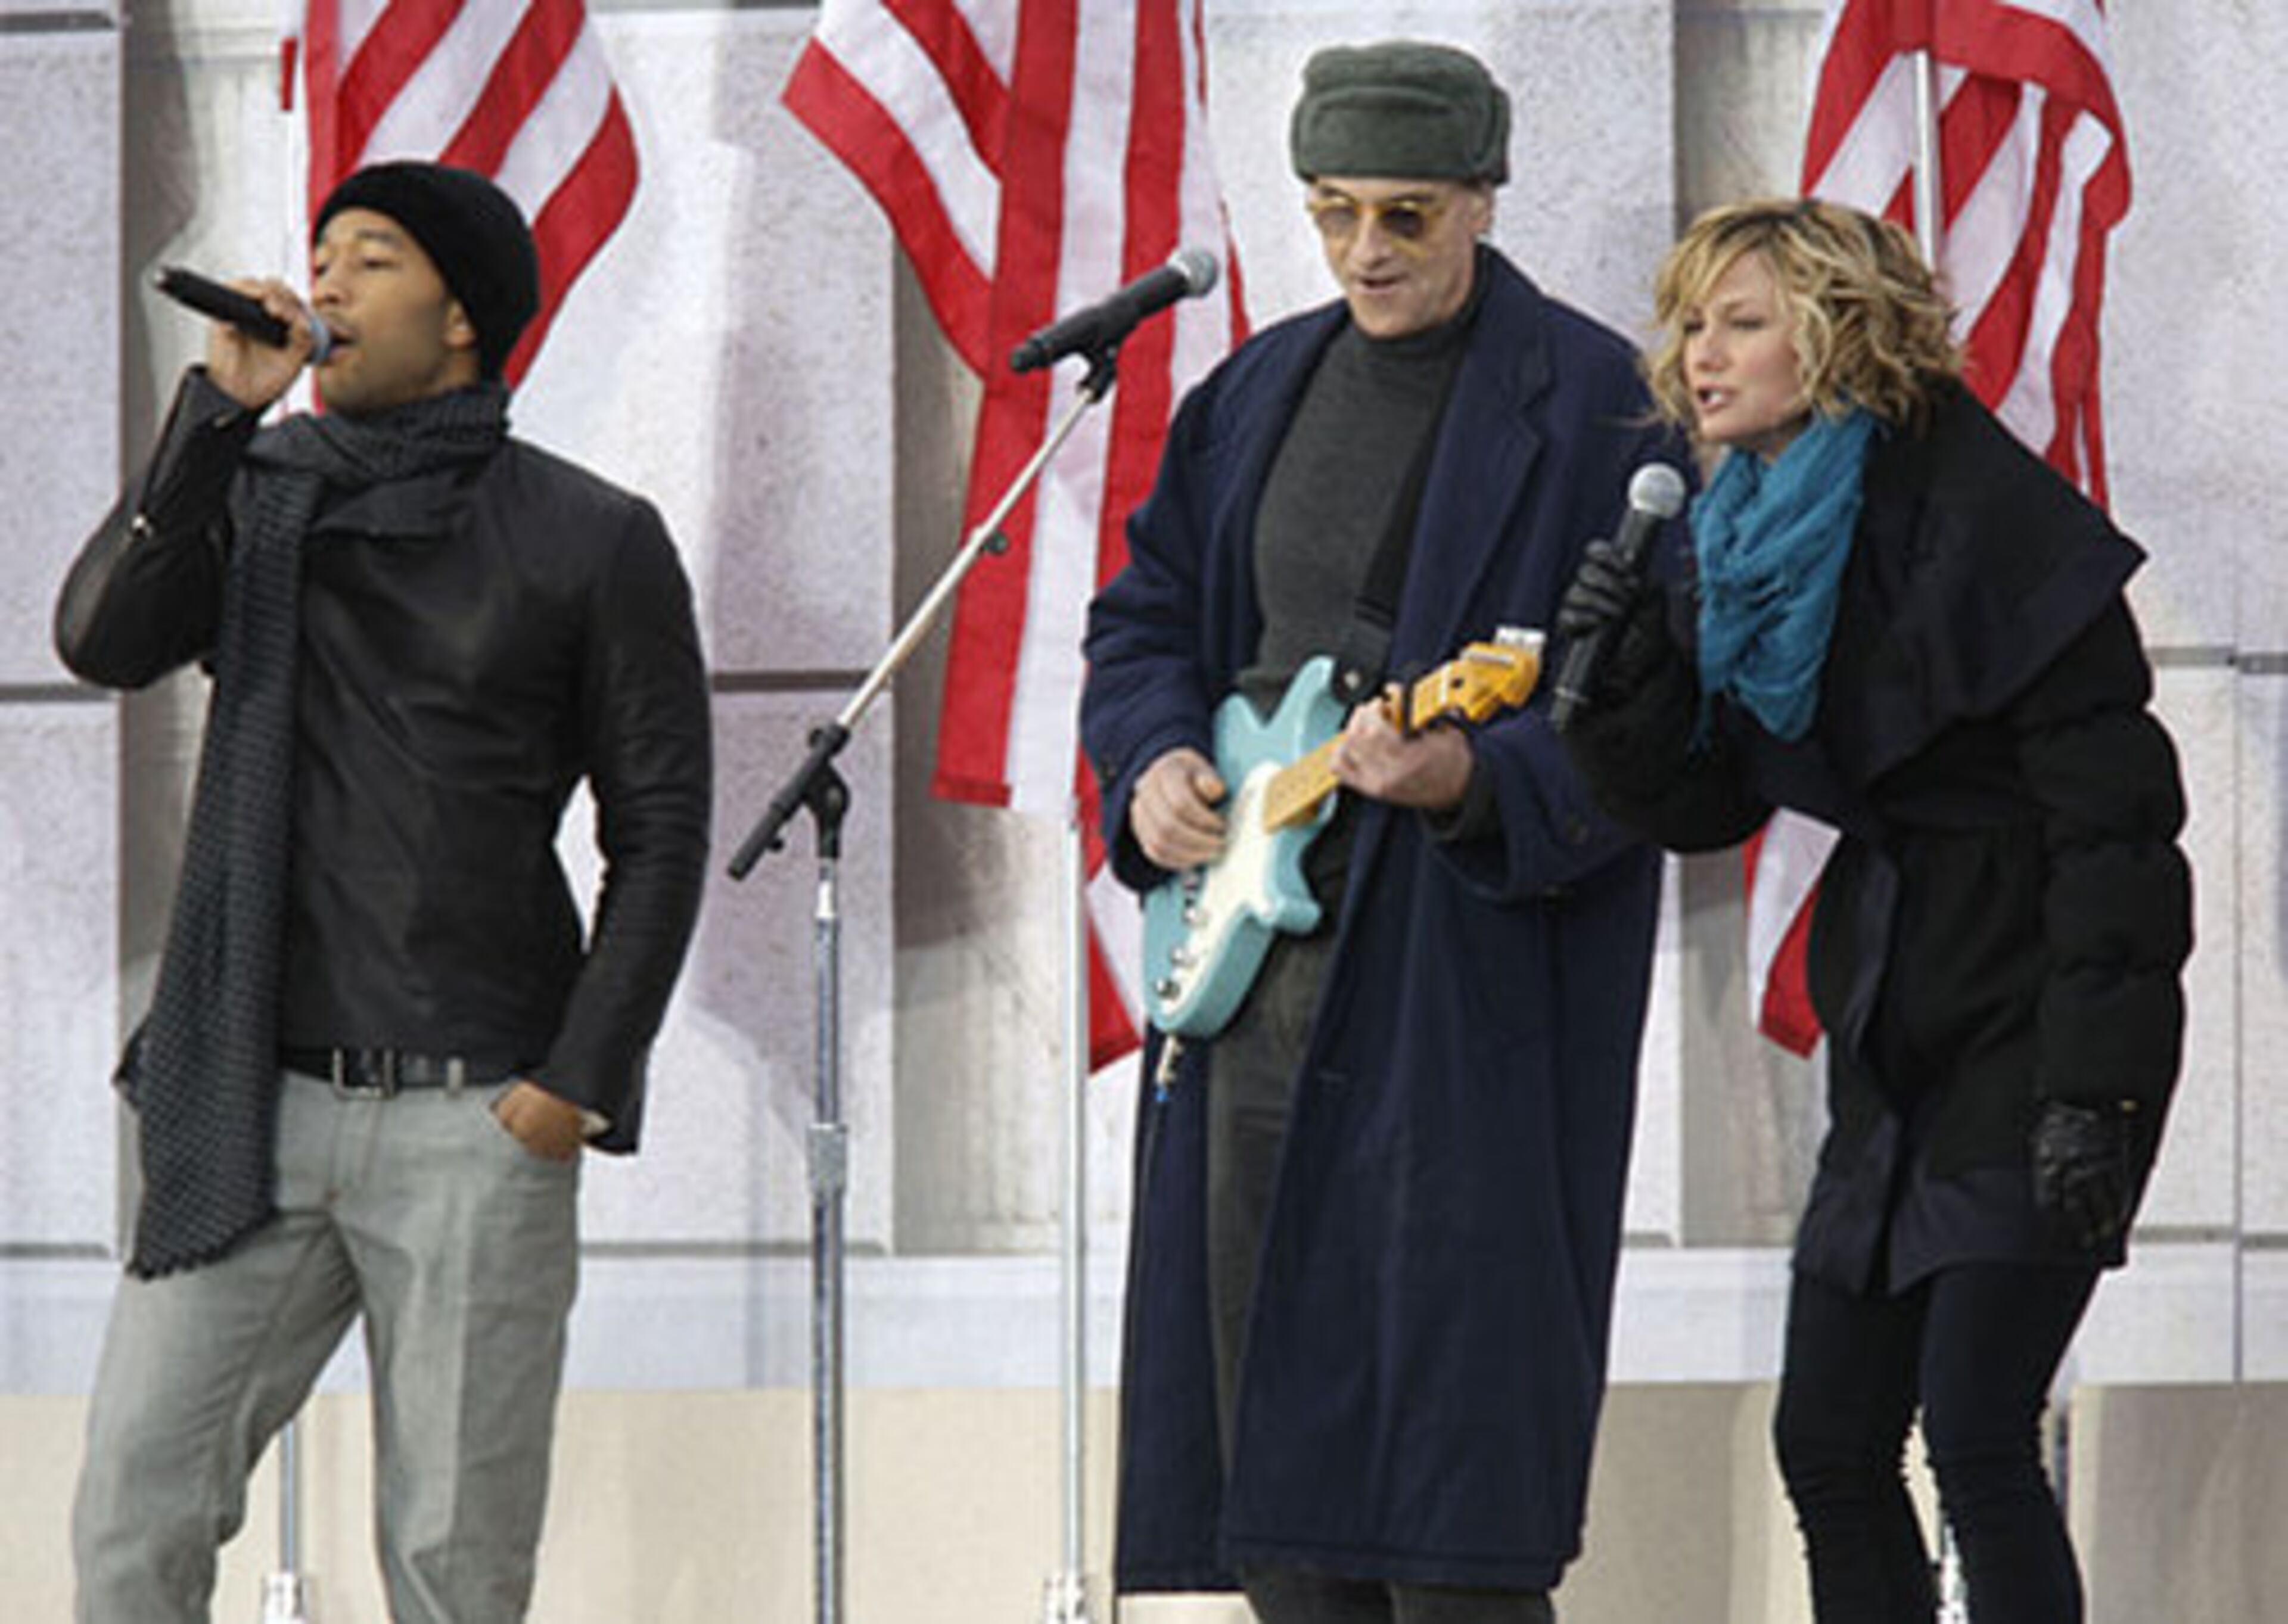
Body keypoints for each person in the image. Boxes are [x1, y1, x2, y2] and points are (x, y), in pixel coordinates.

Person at [55, 161, 713, 1623]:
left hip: (477, 1118)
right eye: (324, 255)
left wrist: (576, 1084)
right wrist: (213, 420)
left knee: (452, 1567)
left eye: (372, 259)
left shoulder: (590, 535)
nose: (328, 285)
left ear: (461, 317)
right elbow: (101, 638)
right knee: (132, 1516)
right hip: (253, 1100)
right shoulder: (258, 495)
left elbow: (662, 828)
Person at [1081, 41, 1683, 1623]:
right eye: (1334, 211)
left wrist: (1476, 778)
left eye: (1406, 213)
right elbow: (1142, 618)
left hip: (1459, 1000)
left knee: (1453, 1519)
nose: (1366, 249)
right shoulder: (1250, 392)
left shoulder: (1603, 410)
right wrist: (1151, 760)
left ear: (1483, 199)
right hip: (1250, 992)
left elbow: (1664, 722)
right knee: (1280, 1510)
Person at [1555, 198, 2192, 1623]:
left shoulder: (1988, 520)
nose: (1699, 357)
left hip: (2036, 1012)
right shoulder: (1746, 532)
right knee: (1829, 1441)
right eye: (1691, 325)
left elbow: (2121, 836)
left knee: (1976, 1428)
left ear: (1838, 335)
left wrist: (2095, 1091)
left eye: (1741, 323)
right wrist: (1615, 700)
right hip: (1898, 1016)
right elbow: (1712, 800)